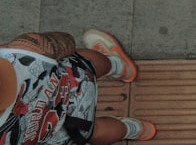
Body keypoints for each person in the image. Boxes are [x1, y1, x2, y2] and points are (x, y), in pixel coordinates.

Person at [0, 29, 156, 144]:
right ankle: (121, 68)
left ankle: (138, 130)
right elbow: (66, 42)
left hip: (64, 131)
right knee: (85, 60)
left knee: (95, 131)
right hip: (77, 81)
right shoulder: (21, 52)